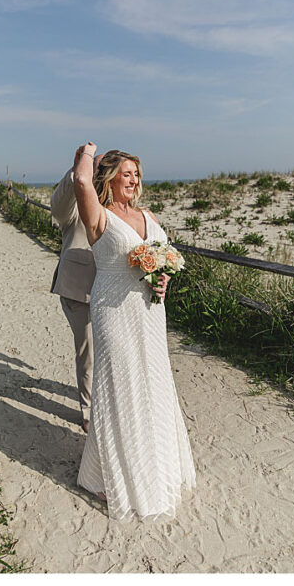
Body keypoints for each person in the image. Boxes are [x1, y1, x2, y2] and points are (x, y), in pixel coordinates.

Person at [71, 141, 197, 520]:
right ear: (109, 179)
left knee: (154, 383)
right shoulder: (99, 216)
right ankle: (114, 477)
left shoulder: (149, 214)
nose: (133, 179)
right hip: (113, 309)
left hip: (150, 311)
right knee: (122, 386)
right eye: (126, 173)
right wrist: (88, 151)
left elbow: (164, 260)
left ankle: (157, 467)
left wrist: (164, 281)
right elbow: (80, 179)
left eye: (136, 173)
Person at [50, 157, 99, 432]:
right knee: (88, 350)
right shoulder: (74, 206)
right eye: (96, 168)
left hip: (113, 289)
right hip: (79, 289)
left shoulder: (117, 204)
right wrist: (76, 168)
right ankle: (89, 410)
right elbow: (57, 206)